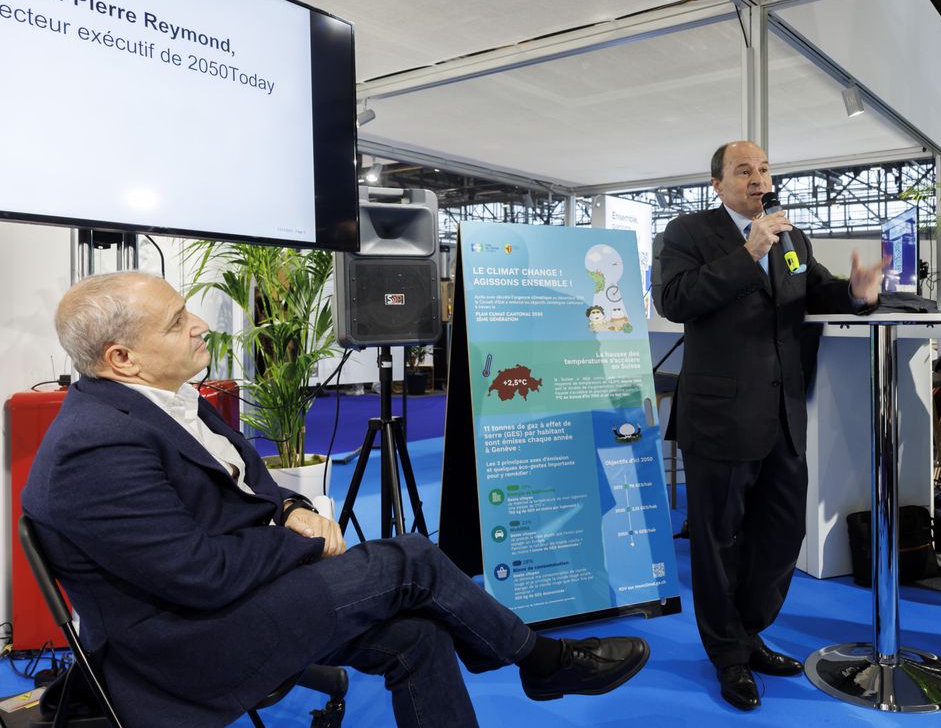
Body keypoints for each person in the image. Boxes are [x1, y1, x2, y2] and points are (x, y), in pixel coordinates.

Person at [22, 271, 649, 728]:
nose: (201, 324)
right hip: (188, 646)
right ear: (122, 358)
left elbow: (251, 487)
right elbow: (198, 576)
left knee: (418, 635)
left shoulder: (168, 401)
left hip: (243, 601)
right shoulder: (94, 449)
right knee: (410, 558)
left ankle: (540, 663)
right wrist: (297, 538)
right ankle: (540, 659)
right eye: (176, 321)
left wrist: (291, 509)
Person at [658, 140, 883, 710]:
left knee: (782, 534)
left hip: (784, 413)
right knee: (717, 542)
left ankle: (747, 631)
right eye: (744, 171)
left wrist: (856, 293)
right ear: (718, 183)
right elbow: (674, 299)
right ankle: (728, 656)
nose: (757, 179)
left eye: (763, 169)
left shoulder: (790, 236)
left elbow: (815, 290)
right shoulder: (688, 233)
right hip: (719, 416)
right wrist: (747, 253)